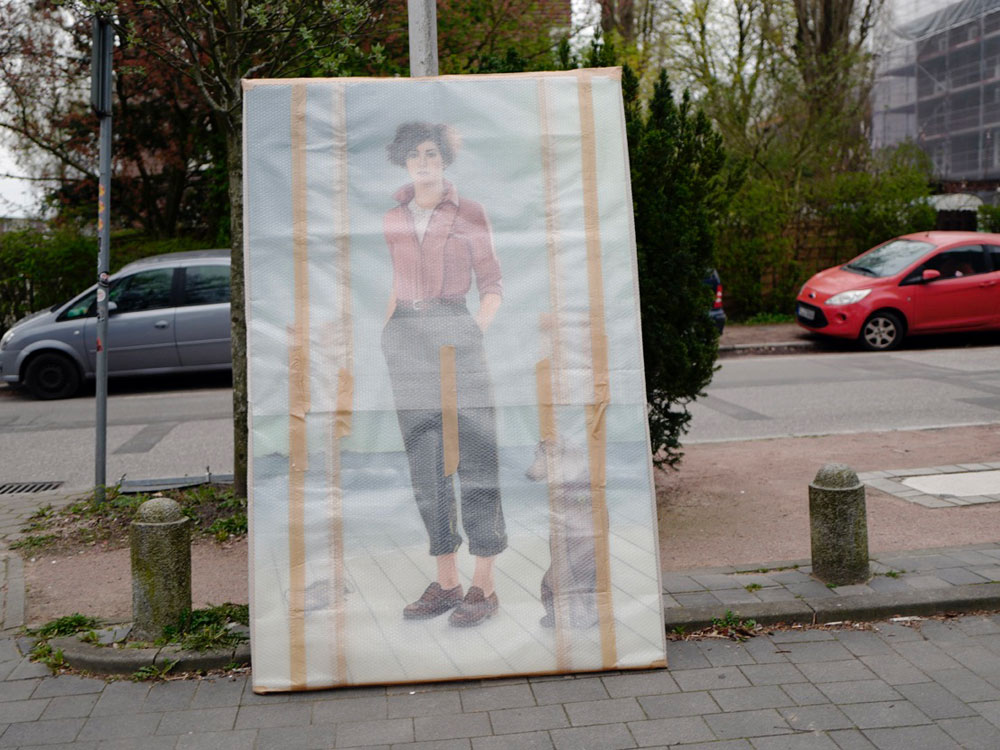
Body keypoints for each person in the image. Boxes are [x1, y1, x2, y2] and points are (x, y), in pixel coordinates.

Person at [381, 121, 507, 628]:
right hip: (406, 338)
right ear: (403, 161)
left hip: (456, 331)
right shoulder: (392, 217)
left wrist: (474, 329)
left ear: (444, 159)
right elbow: (396, 281)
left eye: (431, 153)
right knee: (426, 461)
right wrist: (387, 331)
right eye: (414, 154)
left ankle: (484, 585)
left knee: (475, 452)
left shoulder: (469, 212)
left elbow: (491, 283)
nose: (423, 162)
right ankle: (447, 581)